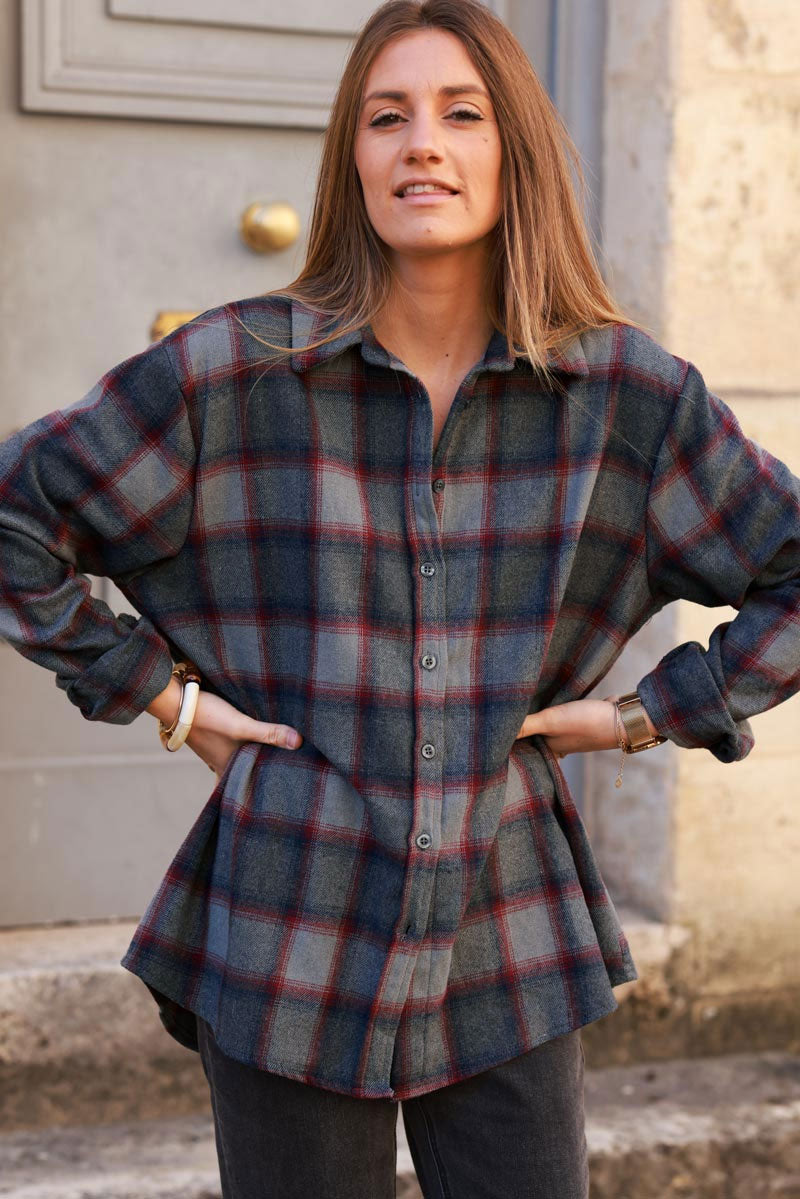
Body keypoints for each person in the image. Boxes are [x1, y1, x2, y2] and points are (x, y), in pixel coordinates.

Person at [0, 1, 798, 1196]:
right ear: (353, 161)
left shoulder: (623, 398)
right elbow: (17, 519)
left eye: (458, 112)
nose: (419, 141)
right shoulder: (232, 374)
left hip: (508, 928)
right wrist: (170, 702)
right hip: (287, 928)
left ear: (510, 149)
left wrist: (642, 714)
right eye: (386, 117)